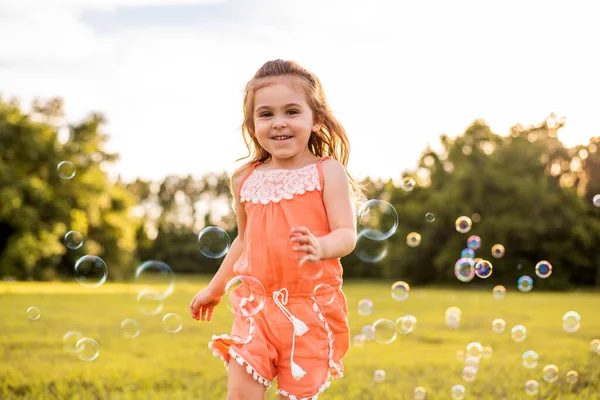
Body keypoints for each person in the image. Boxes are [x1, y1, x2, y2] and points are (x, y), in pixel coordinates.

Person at [189, 59, 364, 400]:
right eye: (266, 114)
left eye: (292, 112)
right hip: (257, 305)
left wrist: (321, 246)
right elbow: (244, 239)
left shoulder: (327, 172)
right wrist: (216, 287)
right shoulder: (245, 178)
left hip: (309, 309)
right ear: (252, 125)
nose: (279, 123)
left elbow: (346, 234)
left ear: (316, 121)